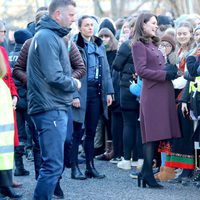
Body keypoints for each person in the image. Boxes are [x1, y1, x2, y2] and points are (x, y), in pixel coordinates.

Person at [27, 1, 81, 199]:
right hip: (49, 107)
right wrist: (74, 83)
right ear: (58, 14)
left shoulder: (49, 35)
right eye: (72, 14)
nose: (74, 19)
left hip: (51, 105)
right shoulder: (47, 37)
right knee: (53, 165)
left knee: (52, 163)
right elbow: (54, 76)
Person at [131, 13, 181, 188]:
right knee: (151, 135)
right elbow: (141, 71)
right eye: (152, 23)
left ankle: (145, 171)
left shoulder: (153, 43)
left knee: (157, 135)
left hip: (162, 92)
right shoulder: (138, 45)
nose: (155, 26)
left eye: (156, 23)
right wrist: (164, 74)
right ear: (142, 25)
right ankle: (146, 174)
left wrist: (170, 70)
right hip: (153, 95)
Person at [72, 15, 114, 179]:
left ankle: (90, 166)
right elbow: (69, 71)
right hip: (80, 91)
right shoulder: (74, 45)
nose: (90, 28)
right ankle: (75, 167)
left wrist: (109, 92)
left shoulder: (99, 45)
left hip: (96, 92)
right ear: (80, 27)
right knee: (77, 132)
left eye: (92, 25)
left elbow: (106, 72)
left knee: (91, 131)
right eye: (86, 25)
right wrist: (74, 95)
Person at [0, 49, 22, 200]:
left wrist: (14, 95)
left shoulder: (2, 51)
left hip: (6, 102)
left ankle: (5, 185)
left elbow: (9, 76)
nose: (3, 34)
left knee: (5, 149)